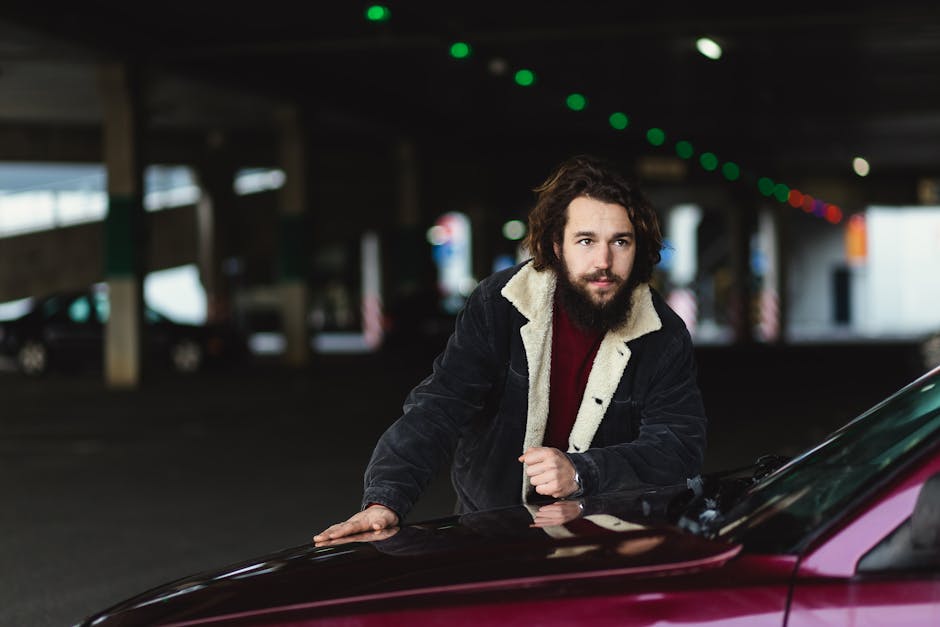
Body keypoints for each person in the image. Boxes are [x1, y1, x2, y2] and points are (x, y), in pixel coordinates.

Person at [314, 154, 707, 544]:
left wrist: (583, 471)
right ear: (556, 245)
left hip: (607, 539)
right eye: (585, 241)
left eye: (620, 242)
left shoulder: (663, 332)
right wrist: (385, 500)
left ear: (637, 248)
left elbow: (678, 444)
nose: (603, 261)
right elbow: (440, 405)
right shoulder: (499, 304)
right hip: (491, 529)